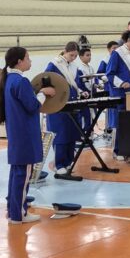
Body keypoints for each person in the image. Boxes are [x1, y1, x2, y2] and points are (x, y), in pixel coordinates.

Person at [0, 47, 56, 225]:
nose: (30, 61)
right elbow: (32, 106)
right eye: (28, 58)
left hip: (17, 133)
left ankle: (12, 210)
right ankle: (18, 214)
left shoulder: (9, 79)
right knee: (23, 175)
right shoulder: (20, 81)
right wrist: (44, 93)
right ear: (19, 61)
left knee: (17, 173)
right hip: (25, 133)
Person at [45, 41, 81, 176]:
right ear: (65, 51)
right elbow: (46, 81)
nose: (73, 58)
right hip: (58, 105)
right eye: (71, 55)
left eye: (75, 56)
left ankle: (68, 161)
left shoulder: (74, 67)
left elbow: (77, 84)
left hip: (72, 104)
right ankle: (59, 164)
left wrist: (81, 91)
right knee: (61, 135)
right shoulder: (54, 64)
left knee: (72, 134)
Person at [98, 40, 119, 143]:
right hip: (109, 89)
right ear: (109, 49)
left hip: (117, 88)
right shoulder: (105, 60)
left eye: (117, 48)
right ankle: (109, 128)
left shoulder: (119, 59)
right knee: (110, 110)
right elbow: (99, 73)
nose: (115, 50)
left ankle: (113, 129)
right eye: (113, 48)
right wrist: (105, 78)